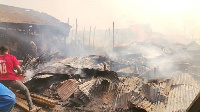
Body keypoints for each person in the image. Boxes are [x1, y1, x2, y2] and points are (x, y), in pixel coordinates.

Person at [0, 45, 35, 112]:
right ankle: (31, 108)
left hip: (2, 81)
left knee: (5, 95)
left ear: (0, 51)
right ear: (8, 51)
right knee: (25, 90)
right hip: (12, 80)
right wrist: (16, 74)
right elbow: (20, 71)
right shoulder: (12, 57)